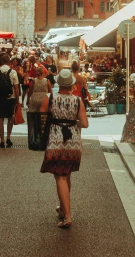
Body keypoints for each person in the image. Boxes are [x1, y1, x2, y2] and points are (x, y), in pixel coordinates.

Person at [40, 68, 89, 228]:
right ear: (71, 85)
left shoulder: (49, 98)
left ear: (58, 83)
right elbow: (84, 123)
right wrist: (72, 120)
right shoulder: (78, 100)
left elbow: (40, 119)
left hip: (56, 140)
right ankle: (62, 208)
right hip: (73, 141)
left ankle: (67, 216)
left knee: (60, 176)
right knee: (66, 174)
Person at [0, 53, 19, 148]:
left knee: (0, 119)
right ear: (8, 61)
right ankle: (8, 138)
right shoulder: (13, 72)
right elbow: (16, 88)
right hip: (10, 98)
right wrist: (17, 101)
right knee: (10, 117)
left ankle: (2, 140)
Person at [27, 65, 52, 149]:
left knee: (33, 119)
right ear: (43, 73)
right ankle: (43, 139)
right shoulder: (47, 81)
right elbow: (50, 92)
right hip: (44, 101)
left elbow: (30, 91)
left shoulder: (33, 81)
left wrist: (27, 100)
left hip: (34, 100)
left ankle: (33, 140)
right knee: (43, 120)